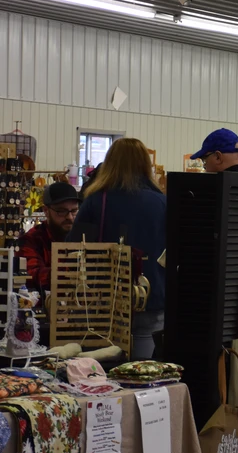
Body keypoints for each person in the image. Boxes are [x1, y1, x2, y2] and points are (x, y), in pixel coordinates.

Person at [68, 139, 166, 359]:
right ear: (145, 164)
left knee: (98, 376)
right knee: (143, 371)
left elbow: (74, 246)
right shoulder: (163, 203)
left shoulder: (96, 200)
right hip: (151, 296)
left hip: (104, 300)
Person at [18, 182, 79, 291]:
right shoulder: (31, 240)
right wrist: (72, 273)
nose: (70, 217)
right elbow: (32, 276)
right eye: (61, 211)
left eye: (74, 211)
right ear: (46, 211)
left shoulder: (81, 239)